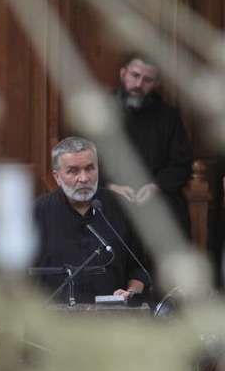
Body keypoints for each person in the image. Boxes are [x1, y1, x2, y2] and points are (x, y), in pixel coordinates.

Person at [34, 136, 149, 304]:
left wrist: (130, 294)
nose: (84, 178)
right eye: (73, 171)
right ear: (57, 177)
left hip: (112, 315)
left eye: (90, 168)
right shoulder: (36, 213)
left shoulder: (122, 208)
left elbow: (139, 269)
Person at [107, 54, 193, 235]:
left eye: (147, 80)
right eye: (135, 75)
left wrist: (155, 186)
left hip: (156, 195)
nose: (139, 84)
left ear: (156, 84)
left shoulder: (169, 117)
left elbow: (181, 164)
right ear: (123, 74)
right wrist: (111, 187)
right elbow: (82, 157)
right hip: (111, 193)